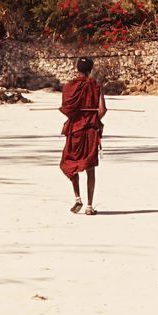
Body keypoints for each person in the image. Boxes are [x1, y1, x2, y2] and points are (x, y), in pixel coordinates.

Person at [59, 56, 106, 215]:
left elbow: (66, 109)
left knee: (70, 163)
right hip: (90, 131)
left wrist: (79, 117)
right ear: (90, 70)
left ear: (77, 69)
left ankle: (78, 198)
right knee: (90, 168)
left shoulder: (69, 87)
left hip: (75, 130)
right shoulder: (96, 86)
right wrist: (91, 119)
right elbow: (102, 111)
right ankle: (89, 206)